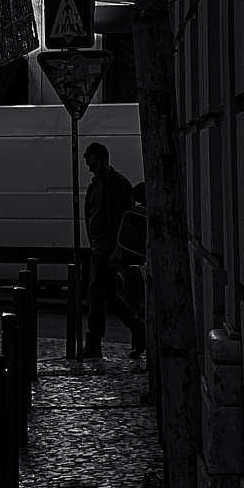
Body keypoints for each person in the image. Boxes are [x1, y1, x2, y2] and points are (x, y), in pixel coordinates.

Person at [82, 140, 146, 359]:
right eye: (90, 166)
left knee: (95, 296)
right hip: (98, 248)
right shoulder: (95, 185)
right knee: (108, 296)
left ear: (105, 160)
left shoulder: (118, 185)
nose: (92, 169)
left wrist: (117, 250)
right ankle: (140, 329)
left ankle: (94, 344)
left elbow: (123, 221)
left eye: (95, 164)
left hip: (109, 250)